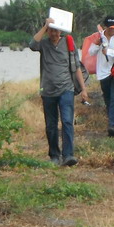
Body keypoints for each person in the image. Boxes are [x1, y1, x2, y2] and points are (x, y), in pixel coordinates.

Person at [29, 17, 89, 166]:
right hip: (48, 91)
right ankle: (54, 155)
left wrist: (83, 89)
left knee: (67, 121)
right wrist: (45, 26)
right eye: (51, 30)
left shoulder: (69, 43)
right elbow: (32, 44)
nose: (54, 33)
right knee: (51, 125)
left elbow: (76, 68)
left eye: (56, 30)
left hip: (66, 89)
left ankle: (68, 155)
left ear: (61, 30)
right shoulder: (43, 44)